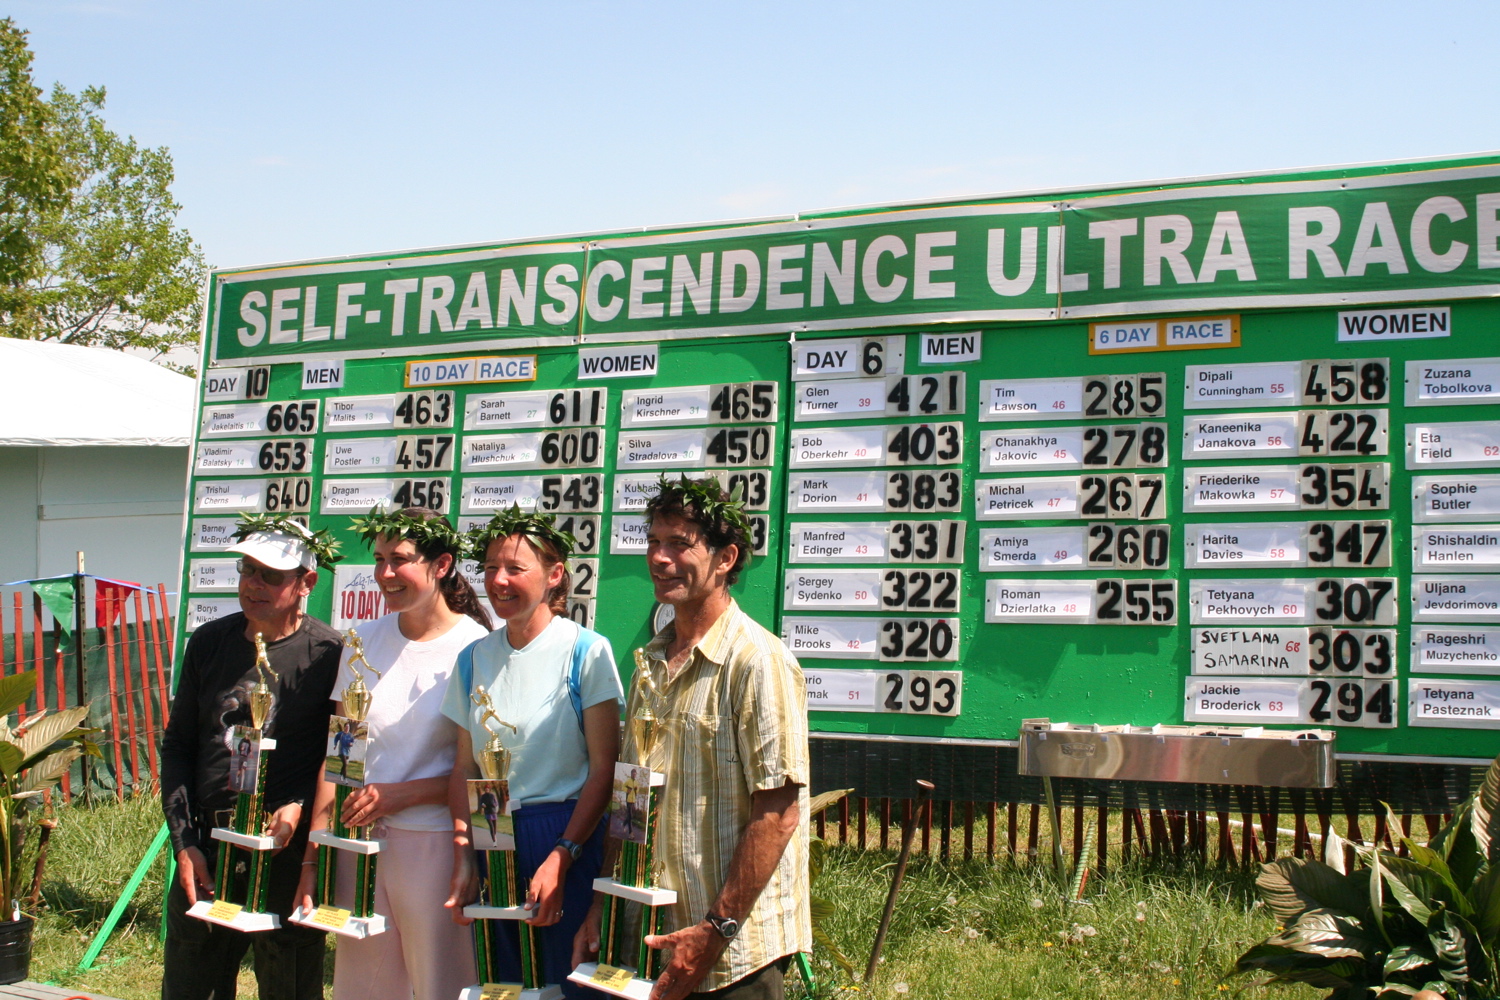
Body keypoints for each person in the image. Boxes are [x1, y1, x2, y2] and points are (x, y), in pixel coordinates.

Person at [573, 476, 810, 1000]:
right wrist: (604, 902)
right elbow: (630, 795)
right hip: (650, 940)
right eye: (654, 541)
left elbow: (778, 814)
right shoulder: (650, 665)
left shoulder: (758, 662)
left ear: (726, 559)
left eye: (680, 544)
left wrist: (714, 931)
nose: (659, 558)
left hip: (732, 956)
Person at [296, 506, 492, 1000]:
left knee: (440, 986)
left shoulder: (478, 649)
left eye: (400, 559)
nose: (385, 573)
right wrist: (313, 857)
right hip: (356, 845)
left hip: (436, 845)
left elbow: (482, 771)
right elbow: (339, 754)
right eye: (380, 559)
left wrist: (401, 795)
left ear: (442, 565)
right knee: (361, 988)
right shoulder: (362, 640)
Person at [161, 514, 345, 1000]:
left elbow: (336, 756)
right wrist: (184, 844)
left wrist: (300, 808)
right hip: (207, 845)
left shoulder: (329, 654)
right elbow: (178, 746)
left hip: (285, 853)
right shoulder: (209, 642)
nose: (254, 584)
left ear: (307, 582)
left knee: (289, 987)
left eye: (271, 575)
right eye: (248, 570)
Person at [442, 505, 622, 999]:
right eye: (490, 567)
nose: (498, 581)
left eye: (515, 568)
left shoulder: (586, 650)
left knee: (571, 985)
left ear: (555, 575)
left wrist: (562, 855)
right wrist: (465, 855)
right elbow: (464, 767)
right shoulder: (472, 657)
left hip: (566, 836)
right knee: (505, 985)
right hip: (493, 833)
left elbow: (604, 769)